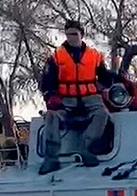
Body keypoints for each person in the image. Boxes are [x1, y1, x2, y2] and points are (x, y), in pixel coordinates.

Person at [39, 20, 114, 175]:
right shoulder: (57, 56)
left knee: (102, 114)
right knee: (51, 116)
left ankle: (87, 148)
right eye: (68, 34)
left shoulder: (94, 56)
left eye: (74, 34)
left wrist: (113, 80)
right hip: (66, 100)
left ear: (82, 35)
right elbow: (47, 80)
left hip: (90, 98)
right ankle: (51, 158)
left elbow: (105, 77)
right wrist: (51, 96)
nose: (71, 37)